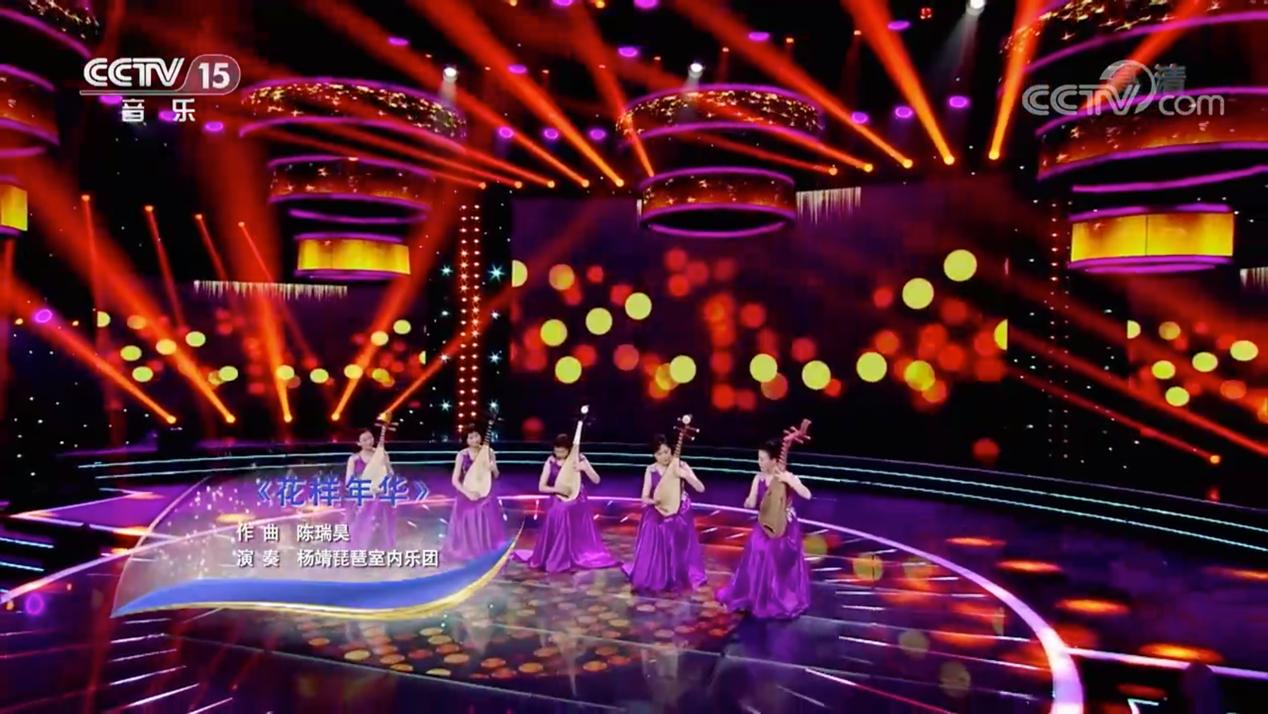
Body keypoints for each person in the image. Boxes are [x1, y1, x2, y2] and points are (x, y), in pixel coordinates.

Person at [716, 439, 812, 619]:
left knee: (772, 553)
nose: (759, 462)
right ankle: (754, 594)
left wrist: (790, 481)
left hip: (784, 528)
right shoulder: (758, 478)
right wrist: (748, 503)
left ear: (774, 460)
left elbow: (807, 494)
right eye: (758, 458)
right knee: (756, 548)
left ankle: (776, 597)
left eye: (762, 459)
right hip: (765, 523)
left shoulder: (786, 476)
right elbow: (752, 501)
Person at [517, 434, 618, 572]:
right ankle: (555, 554)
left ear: (569, 449)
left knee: (564, 510)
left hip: (577, 499)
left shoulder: (579, 458)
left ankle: (566, 556)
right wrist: (558, 489)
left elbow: (596, 480)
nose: (559, 454)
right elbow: (542, 487)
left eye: (562, 452)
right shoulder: (551, 461)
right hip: (558, 496)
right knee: (557, 510)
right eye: (556, 451)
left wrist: (585, 468)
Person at [622, 434, 707, 593]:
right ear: (654, 455)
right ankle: (656, 574)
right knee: (652, 526)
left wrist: (686, 475)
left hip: (679, 510)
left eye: (666, 452)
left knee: (672, 525)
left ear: (672, 450)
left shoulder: (681, 465)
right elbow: (644, 497)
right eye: (659, 453)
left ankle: (676, 575)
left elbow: (700, 488)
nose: (664, 456)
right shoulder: (651, 470)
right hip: (658, 507)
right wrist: (653, 502)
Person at [443, 425, 507, 560]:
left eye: (476, 436)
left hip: (485, 493)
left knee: (486, 508)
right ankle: (469, 549)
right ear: (466, 440)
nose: (474, 440)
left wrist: (493, 468)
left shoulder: (489, 452)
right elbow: (455, 480)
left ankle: (486, 548)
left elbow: (496, 475)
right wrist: (468, 493)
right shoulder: (462, 455)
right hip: (467, 494)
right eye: (471, 437)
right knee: (469, 511)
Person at [345, 428, 396, 549]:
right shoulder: (354, 459)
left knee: (382, 524)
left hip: (380, 496)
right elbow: (348, 482)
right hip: (362, 497)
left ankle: (383, 548)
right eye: (364, 440)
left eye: (370, 438)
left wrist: (386, 464)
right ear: (358, 443)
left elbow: (390, 474)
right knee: (360, 526)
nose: (369, 441)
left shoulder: (382, 454)